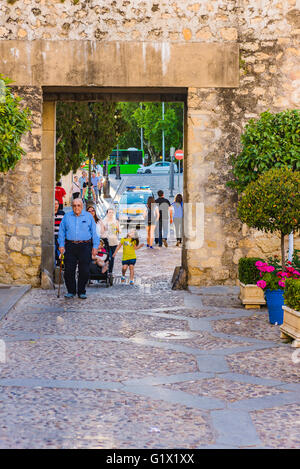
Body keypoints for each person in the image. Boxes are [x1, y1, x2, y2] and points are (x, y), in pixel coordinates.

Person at [58, 198, 99, 299]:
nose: (76, 207)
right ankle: (71, 291)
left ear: (82, 206)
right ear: (72, 206)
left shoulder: (89, 216)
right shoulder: (67, 216)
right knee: (68, 270)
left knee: (84, 270)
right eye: (74, 205)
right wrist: (61, 245)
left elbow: (95, 233)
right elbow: (61, 232)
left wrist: (95, 246)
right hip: (70, 246)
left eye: (78, 205)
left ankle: (81, 291)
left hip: (85, 246)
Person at [100, 208, 119, 275]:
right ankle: (105, 272)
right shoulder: (103, 221)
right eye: (109, 212)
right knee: (108, 257)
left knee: (112, 257)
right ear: (107, 213)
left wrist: (117, 228)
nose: (111, 214)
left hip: (114, 241)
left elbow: (118, 232)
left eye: (112, 212)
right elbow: (101, 232)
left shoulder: (116, 221)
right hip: (107, 241)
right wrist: (104, 226)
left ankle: (110, 272)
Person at [54, 199, 65, 265]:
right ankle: (57, 261)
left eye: (57, 204)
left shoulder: (62, 213)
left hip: (60, 235)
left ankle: (60, 262)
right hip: (52, 235)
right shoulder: (49, 214)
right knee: (54, 249)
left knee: (60, 250)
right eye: (54, 204)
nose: (55, 205)